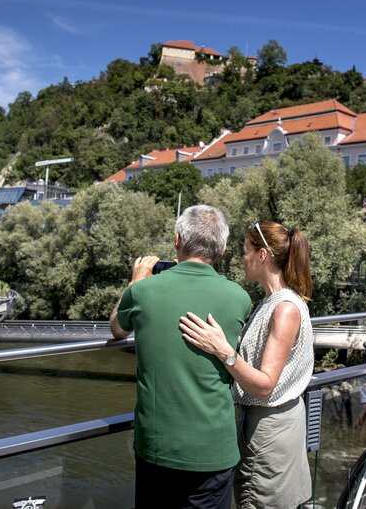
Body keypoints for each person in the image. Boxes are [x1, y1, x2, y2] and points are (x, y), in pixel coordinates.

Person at [110, 205, 252, 509]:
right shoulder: (239, 298)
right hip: (213, 450)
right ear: (224, 249)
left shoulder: (144, 291)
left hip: (157, 447)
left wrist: (136, 280)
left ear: (177, 240)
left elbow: (117, 330)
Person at [179, 220, 314, 508]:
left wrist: (223, 350)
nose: (241, 258)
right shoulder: (272, 302)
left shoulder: (284, 309)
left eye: (245, 251)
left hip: (270, 430)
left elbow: (265, 386)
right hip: (271, 424)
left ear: (262, 255)